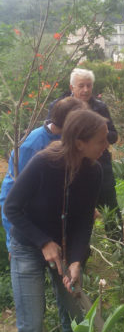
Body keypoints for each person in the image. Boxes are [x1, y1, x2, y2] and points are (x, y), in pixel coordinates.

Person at [4, 109, 108, 332]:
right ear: (80, 143)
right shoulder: (43, 163)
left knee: (74, 322)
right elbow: (11, 208)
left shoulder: (94, 172)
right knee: (31, 328)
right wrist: (43, 242)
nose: (106, 145)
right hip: (28, 246)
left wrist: (76, 260)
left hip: (65, 248)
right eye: (101, 141)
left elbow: (83, 221)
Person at [1, 97, 87, 251]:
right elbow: (11, 194)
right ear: (70, 124)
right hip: (29, 231)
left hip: (56, 229)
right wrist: (11, 242)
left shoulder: (69, 139)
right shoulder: (32, 146)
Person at [49, 68, 122, 242]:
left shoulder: (99, 107)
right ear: (72, 87)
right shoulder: (60, 106)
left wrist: (98, 136)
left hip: (99, 163)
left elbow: (113, 135)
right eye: (81, 86)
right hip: (69, 165)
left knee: (110, 206)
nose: (86, 90)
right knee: (74, 207)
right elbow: (52, 133)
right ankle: (77, 250)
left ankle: (119, 249)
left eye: (89, 86)